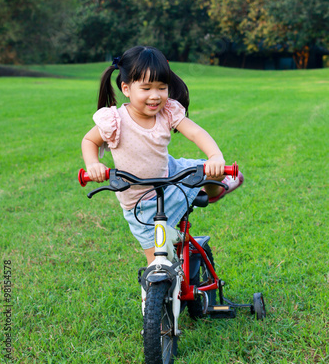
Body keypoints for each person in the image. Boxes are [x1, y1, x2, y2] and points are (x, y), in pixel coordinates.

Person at [82, 46, 243, 265]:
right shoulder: (115, 120)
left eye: (161, 87)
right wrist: (93, 164)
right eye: (146, 88)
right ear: (126, 89)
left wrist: (215, 156)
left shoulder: (167, 112)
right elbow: (89, 140)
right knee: (156, 263)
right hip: (139, 203)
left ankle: (213, 189)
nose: (155, 96)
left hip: (170, 179)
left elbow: (195, 132)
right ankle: (154, 298)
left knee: (208, 170)